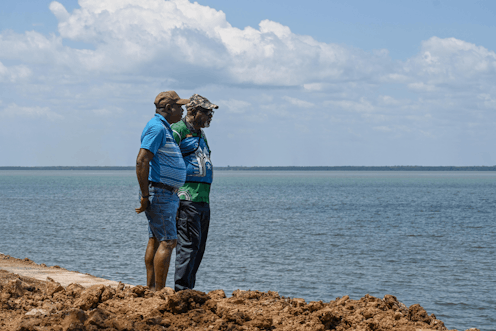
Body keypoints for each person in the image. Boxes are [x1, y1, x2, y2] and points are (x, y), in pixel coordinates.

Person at [135, 91, 189, 291]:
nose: (182, 111)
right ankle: (159, 292)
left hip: (165, 192)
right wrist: (145, 196)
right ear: (168, 108)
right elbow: (142, 160)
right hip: (161, 192)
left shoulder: (162, 128)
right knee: (168, 242)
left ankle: (150, 289)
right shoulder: (157, 128)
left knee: (156, 239)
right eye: (179, 107)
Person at [171, 94, 218, 291]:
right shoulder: (178, 130)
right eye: (206, 111)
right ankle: (181, 290)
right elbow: (165, 159)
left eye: (211, 112)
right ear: (192, 111)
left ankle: (189, 289)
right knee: (188, 247)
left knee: (198, 248)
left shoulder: (200, 133)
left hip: (203, 199)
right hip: (186, 197)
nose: (210, 115)